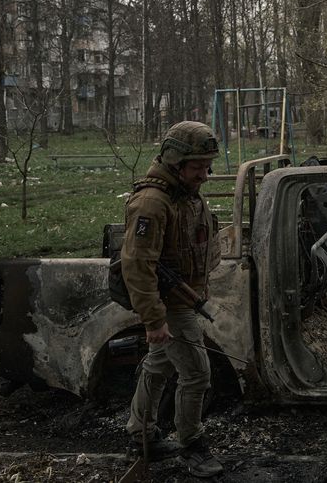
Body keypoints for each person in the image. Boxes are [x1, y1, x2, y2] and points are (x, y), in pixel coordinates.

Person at [120, 120, 224, 478]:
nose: (205, 174)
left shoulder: (184, 191)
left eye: (208, 166)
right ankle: (192, 446)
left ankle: (140, 431)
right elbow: (136, 265)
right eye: (198, 166)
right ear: (176, 162)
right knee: (196, 375)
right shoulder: (152, 202)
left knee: (159, 365)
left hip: (183, 295)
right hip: (170, 303)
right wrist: (154, 320)